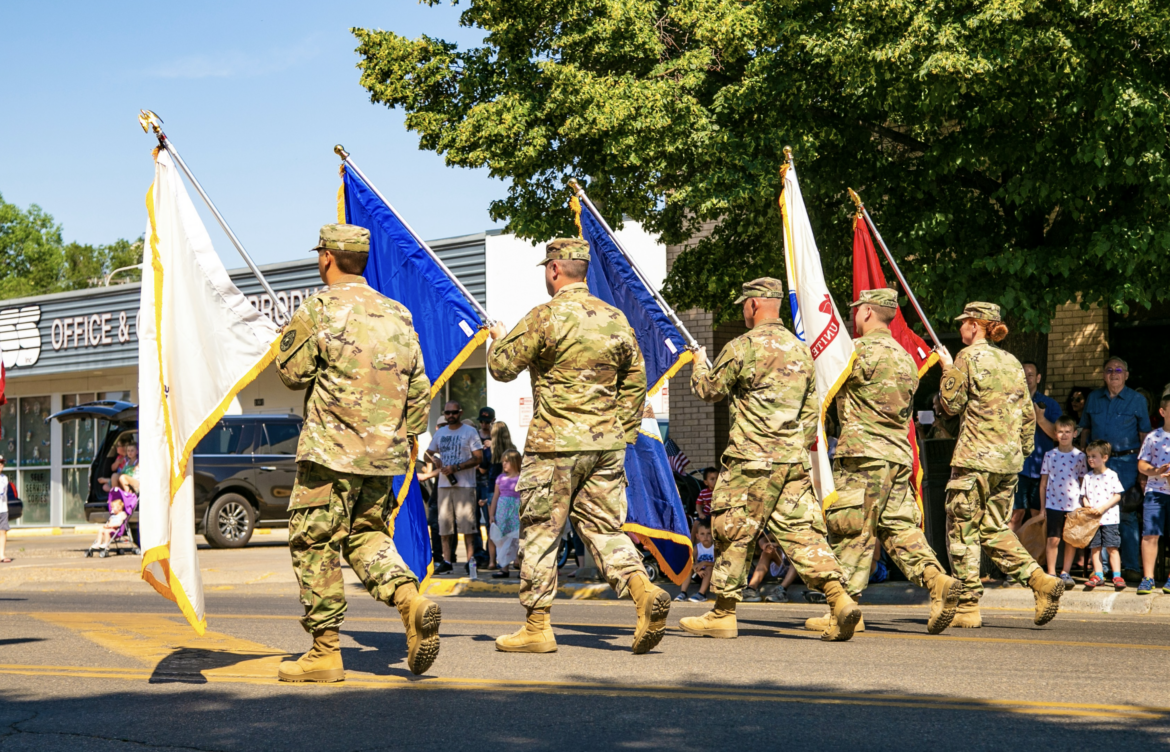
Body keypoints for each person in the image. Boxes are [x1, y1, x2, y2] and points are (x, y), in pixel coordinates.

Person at [487, 238, 670, 654]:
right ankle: (643, 593)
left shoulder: (544, 317)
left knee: (540, 532)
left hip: (555, 445)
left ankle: (536, 627)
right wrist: (619, 431)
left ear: (554, 269)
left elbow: (500, 368)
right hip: (605, 444)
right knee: (604, 528)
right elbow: (636, 381)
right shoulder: (615, 319)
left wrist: (497, 339)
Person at [275, 223, 439, 681]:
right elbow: (419, 387)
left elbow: (291, 374)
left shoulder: (319, 309)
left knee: (314, 543)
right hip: (382, 456)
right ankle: (411, 602)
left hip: (330, 454)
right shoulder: (398, 314)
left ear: (326, 257)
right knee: (366, 537)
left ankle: (325, 652)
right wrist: (406, 438)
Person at [679, 278, 861, 642]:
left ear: (753, 305)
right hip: (791, 462)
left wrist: (699, 363)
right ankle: (839, 601)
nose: (742, 311)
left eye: (743, 305)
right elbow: (812, 417)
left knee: (732, 531)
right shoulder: (801, 351)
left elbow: (710, 390)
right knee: (803, 534)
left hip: (751, 462)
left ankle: (723, 613)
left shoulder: (742, 347)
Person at [806, 288, 960, 636]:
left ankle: (843, 611)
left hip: (863, 454)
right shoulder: (906, 359)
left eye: (855, 311)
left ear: (865, 313)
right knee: (900, 528)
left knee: (853, 529)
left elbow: (825, 390)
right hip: (897, 456)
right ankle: (937, 582)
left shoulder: (856, 353)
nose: (851, 317)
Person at [936, 302, 1064, 628]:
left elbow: (951, 406)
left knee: (961, 530)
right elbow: (1027, 415)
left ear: (976, 325)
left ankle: (967, 607)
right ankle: (1040, 580)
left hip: (974, 459)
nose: (961, 326)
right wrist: (1019, 454)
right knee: (993, 529)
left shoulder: (967, 358)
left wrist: (947, 369)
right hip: (1007, 463)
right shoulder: (1012, 362)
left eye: (964, 321)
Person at [1078, 357, 1150, 579]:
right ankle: (1105, 569)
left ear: (1126, 375)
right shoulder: (1093, 398)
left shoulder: (1137, 400)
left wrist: (1142, 470)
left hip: (1127, 464)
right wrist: (1084, 460)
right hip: (1099, 465)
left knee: (1126, 514)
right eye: (1109, 370)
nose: (1114, 374)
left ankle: (1130, 567)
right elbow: (1085, 430)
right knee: (1099, 513)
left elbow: (1144, 436)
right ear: (1103, 375)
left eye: (1119, 370)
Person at [425, 402, 484, 575]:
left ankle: (470, 561)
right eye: (447, 413)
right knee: (444, 525)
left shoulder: (469, 432)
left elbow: (478, 458)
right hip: (444, 485)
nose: (451, 415)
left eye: (453, 412)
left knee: (467, 526)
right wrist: (434, 459)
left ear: (460, 412)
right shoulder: (440, 433)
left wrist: (456, 467)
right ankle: (447, 560)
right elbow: (427, 454)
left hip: (465, 484)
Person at [1011, 362, 1062, 534]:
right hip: (1018, 467)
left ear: (1038, 378)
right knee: (1015, 514)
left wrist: (1040, 419)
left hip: (1043, 469)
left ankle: (1034, 558)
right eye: (1023, 374)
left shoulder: (1050, 405)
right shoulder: (1009, 404)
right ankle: (1010, 558)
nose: (1027, 378)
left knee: (1037, 515)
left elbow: (1058, 436)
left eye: (1031, 374)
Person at [1038, 416, 1087, 587]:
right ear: (1055, 434)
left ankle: (1065, 572)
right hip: (1053, 504)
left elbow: (1083, 482)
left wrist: (1084, 504)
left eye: (1068, 432)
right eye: (1060, 432)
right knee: (1053, 539)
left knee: (1070, 540)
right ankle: (1051, 573)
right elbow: (1043, 483)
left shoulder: (1080, 456)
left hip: (1074, 505)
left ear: (1074, 433)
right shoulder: (1050, 455)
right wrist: (1042, 507)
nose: (1064, 435)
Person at [1077, 440, 1125, 591]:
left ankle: (1117, 575)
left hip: (1109, 518)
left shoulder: (1111, 475)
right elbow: (1084, 495)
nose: (1090, 459)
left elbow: (1117, 495)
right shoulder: (1087, 477)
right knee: (1095, 548)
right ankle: (1098, 575)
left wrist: (1103, 507)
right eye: (1089, 456)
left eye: (1094, 456)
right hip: (1093, 520)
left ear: (1104, 457)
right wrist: (1087, 505)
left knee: (1112, 547)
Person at [1137, 395, 1170, 594]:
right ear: (1163, 412)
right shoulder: (1153, 437)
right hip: (1156, 491)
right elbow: (1142, 464)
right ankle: (1148, 578)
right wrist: (1157, 471)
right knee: (1150, 534)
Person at [489, 449, 523, 578]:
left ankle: (520, 566)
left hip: (516, 511)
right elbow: (495, 497)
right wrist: (492, 514)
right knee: (503, 539)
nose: (504, 464)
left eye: (507, 462)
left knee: (518, 539)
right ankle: (504, 567)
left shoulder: (521, 478)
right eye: (503, 461)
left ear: (515, 462)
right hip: (503, 513)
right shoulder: (500, 479)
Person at [675, 522, 716, 602]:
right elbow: (689, 561)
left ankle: (701, 594)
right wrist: (696, 569)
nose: (705, 537)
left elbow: (718, 564)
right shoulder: (697, 548)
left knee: (709, 568)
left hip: (711, 576)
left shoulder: (715, 548)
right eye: (702, 534)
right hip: (698, 574)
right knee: (688, 567)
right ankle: (683, 593)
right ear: (697, 536)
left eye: (708, 534)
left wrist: (704, 563)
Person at [0, 457, 12, 564]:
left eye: (2, 463)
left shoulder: (4, 478)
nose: (1, 465)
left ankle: (2, 555)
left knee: (3, 531)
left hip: (3, 509)